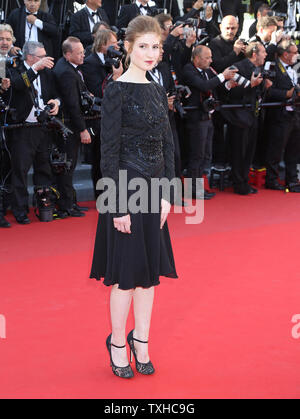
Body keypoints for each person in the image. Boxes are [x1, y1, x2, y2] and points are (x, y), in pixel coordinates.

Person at [90, 15, 177, 378]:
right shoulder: (116, 90)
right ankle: (116, 342)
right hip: (126, 191)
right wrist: (117, 206)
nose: (151, 53)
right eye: (143, 46)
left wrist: (168, 192)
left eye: (156, 46)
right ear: (128, 47)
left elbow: (168, 144)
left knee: (148, 275)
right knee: (126, 276)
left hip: (154, 191)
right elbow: (107, 153)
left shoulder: (157, 88)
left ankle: (141, 339)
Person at [8, 40, 60, 224]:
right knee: (20, 171)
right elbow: (17, 85)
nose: (45, 59)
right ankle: (20, 210)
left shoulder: (46, 72)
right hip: (22, 128)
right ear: (30, 57)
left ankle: (44, 205)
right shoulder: (15, 68)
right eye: (41, 56)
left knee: (44, 168)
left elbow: (55, 93)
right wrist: (35, 68)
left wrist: (56, 102)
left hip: (43, 126)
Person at [183, 45, 237, 199]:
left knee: (206, 155)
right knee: (196, 156)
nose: (211, 60)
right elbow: (203, 86)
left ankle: (200, 188)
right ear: (197, 58)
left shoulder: (207, 71)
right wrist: (223, 76)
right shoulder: (189, 70)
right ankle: (192, 190)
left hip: (207, 118)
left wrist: (227, 84)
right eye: (207, 58)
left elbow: (214, 88)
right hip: (195, 119)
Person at [224, 42, 270, 195]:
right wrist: (251, 84)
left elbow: (258, 91)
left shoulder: (260, 69)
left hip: (253, 115)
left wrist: (263, 86)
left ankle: (244, 180)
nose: (266, 55)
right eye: (263, 52)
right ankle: (239, 183)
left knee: (249, 151)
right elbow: (229, 93)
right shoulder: (237, 67)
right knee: (239, 151)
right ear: (255, 54)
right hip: (239, 116)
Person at [53, 36, 91, 217]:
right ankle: (66, 205)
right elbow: (73, 104)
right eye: (80, 52)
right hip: (68, 126)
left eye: (83, 51)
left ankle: (70, 202)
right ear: (68, 55)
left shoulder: (68, 68)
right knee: (67, 165)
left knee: (68, 165)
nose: (84, 55)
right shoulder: (66, 72)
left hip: (67, 124)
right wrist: (83, 129)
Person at [264, 40, 300, 192]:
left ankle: (292, 180)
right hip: (279, 115)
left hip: (295, 114)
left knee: (294, 149)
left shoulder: (294, 69)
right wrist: (287, 94)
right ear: (285, 54)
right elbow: (269, 91)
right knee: (276, 150)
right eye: (294, 52)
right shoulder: (272, 67)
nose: (297, 55)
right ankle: (271, 180)